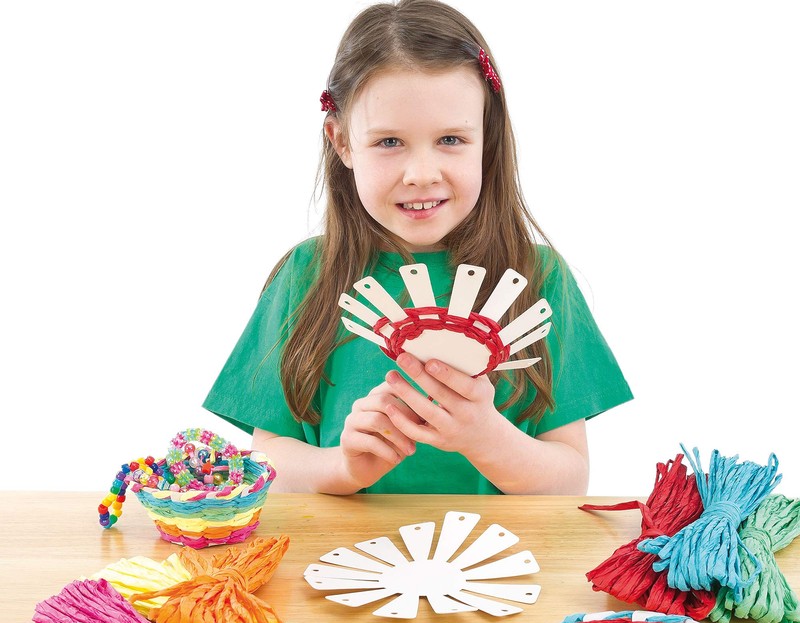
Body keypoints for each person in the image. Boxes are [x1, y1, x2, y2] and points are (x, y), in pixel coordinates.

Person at [204, 0, 632, 495]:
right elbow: (267, 461)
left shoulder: (538, 278)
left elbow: (569, 482)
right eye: (389, 142)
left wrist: (487, 439)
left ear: (487, 138)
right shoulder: (307, 275)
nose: (422, 174)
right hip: (345, 547)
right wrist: (343, 468)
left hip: (499, 548)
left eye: (450, 139)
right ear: (341, 142)